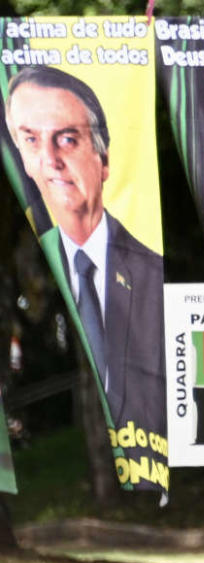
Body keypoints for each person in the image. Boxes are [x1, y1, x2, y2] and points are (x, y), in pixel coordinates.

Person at [5, 66, 165, 443]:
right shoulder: (30, 258)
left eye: (67, 139)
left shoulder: (148, 269)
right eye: (30, 140)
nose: (50, 160)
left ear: (104, 159)